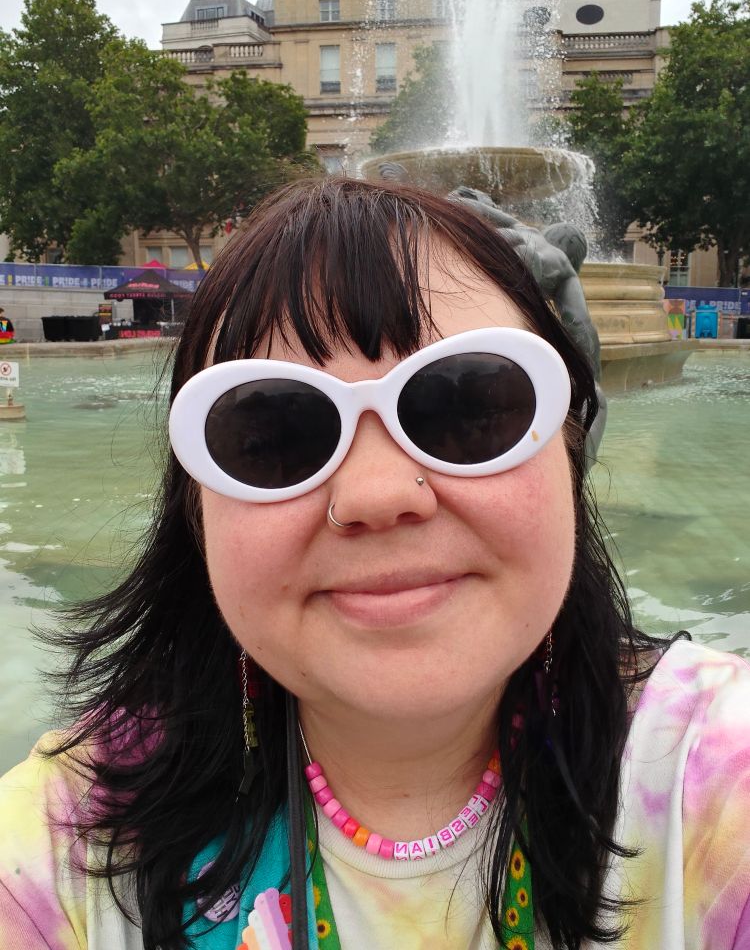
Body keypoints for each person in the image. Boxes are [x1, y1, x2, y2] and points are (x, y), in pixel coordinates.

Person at [1, 178, 749, 950]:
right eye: (275, 434)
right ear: (195, 508)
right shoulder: (63, 852)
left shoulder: (719, 776)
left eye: (468, 407)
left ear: (571, 445)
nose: (376, 494)